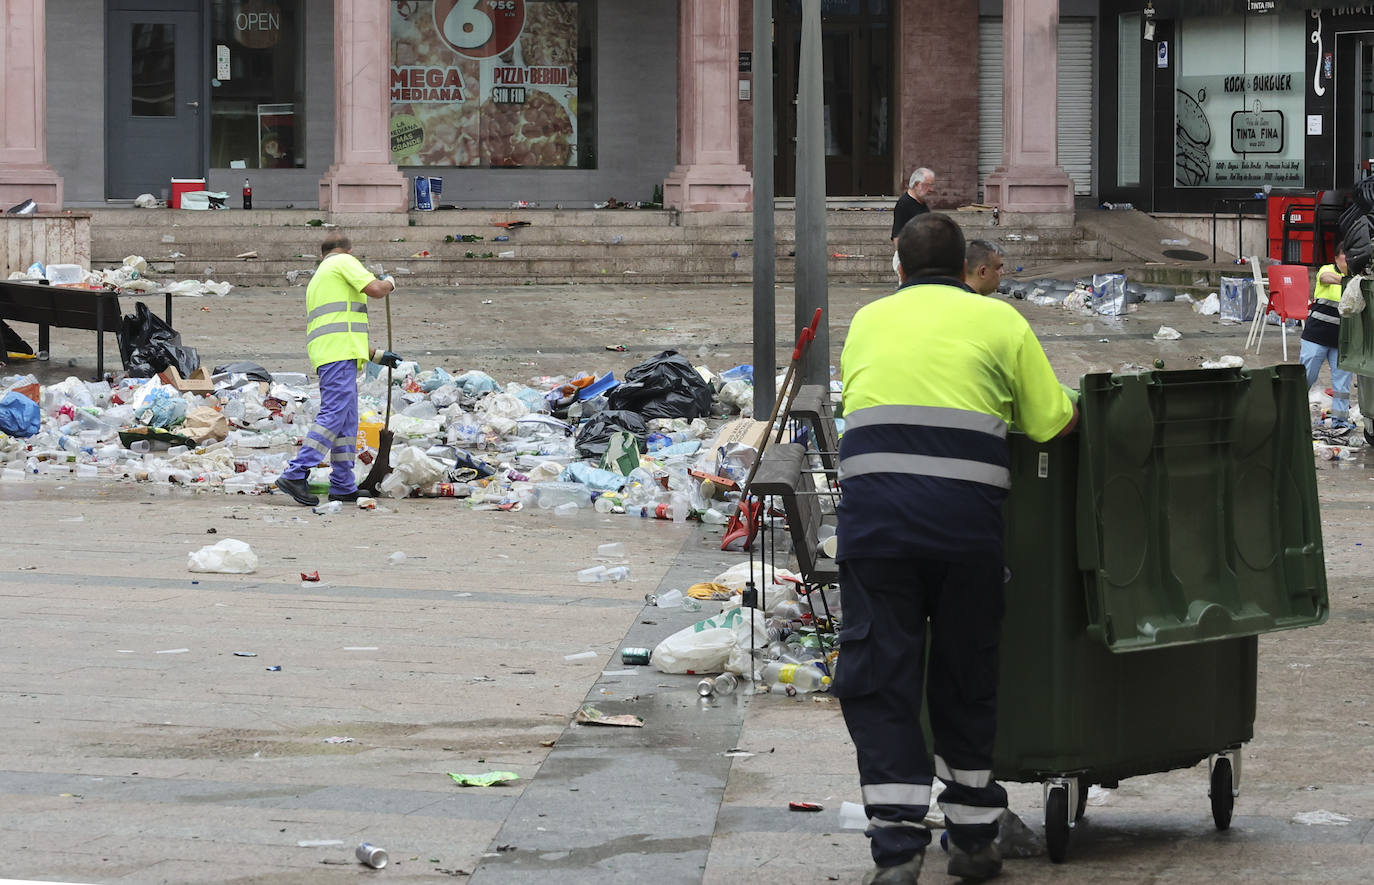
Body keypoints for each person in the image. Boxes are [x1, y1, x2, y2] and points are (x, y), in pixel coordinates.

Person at [834, 213, 1078, 885]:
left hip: (875, 529)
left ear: (900, 268)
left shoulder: (866, 322)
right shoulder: (999, 323)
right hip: (964, 531)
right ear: (968, 269)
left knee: (882, 678)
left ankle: (897, 848)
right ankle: (972, 840)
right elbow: (1053, 420)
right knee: (966, 678)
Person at [274, 234, 401, 506]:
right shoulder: (344, 261)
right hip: (339, 355)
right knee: (333, 415)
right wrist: (390, 283)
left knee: (346, 422)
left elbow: (341, 325)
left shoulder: (320, 278)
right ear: (348, 250)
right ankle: (296, 473)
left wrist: (377, 356)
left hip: (333, 353)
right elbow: (376, 290)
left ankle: (343, 484)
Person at [1300, 244, 1352, 431]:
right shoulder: (1327, 270)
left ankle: (1340, 422)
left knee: (1342, 385)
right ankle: (1294, 413)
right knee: (1305, 377)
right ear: (1337, 257)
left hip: (1341, 341)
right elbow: (1325, 278)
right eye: (1345, 254)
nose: (1348, 258)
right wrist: (1349, 281)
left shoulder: (1357, 279)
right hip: (1316, 337)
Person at [891, 168, 935, 278]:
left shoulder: (922, 203)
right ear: (916, 184)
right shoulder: (904, 204)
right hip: (909, 257)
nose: (931, 189)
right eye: (928, 185)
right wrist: (904, 260)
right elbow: (897, 235)